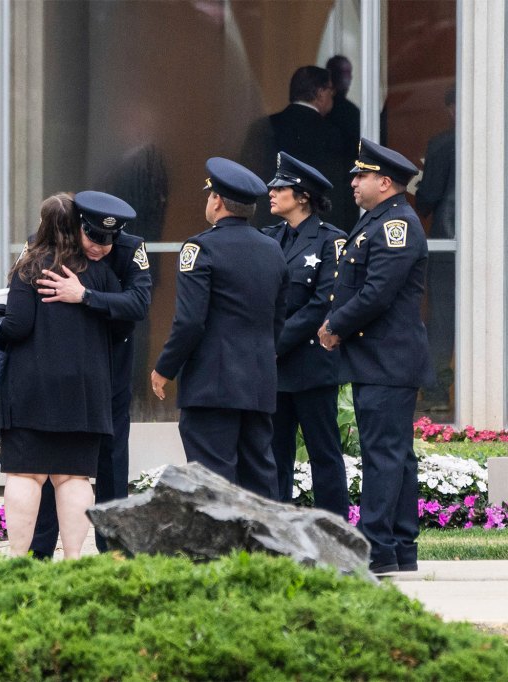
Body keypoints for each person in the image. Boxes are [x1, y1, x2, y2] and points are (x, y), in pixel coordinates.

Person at [318, 138, 434, 574]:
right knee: (395, 455)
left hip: (388, 360)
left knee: (383, 455)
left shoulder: (393, 225)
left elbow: (376, 293)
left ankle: (377, 549)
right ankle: (400, 548)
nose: (353, 182)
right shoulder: (378, 220)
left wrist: (334, 326)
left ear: (384, 182)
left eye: (361, 175)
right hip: (381, 359)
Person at [150, 158, 288, 499]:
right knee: (259, 474)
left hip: (213, 383)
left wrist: (164, 367)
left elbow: (190, 321)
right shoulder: (273, 249)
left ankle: (216, 552)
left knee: (212, 476)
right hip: (258, 381)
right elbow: (278, 318)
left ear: (217, 201)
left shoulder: (201, 248)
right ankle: (267, 550)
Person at [0, 193, 121, 559]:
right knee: (75, 478)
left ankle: (18, 560)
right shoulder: (99, 273)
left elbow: (18, 326)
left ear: (43, 225)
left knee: (25, 476)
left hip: (31, 390)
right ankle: (74, 560)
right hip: (84, 393)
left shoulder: (30, 267)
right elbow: (119, 321)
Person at [25, 190, 152, 557]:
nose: (100, 248)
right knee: (52, 459)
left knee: (111, 458)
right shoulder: (45, 245)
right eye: (93, 238)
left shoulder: (130, 248)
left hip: (110, 366)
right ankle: (41, 550)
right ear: (78, 225)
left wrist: (85, 296)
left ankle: (112, 549)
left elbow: (139, 303)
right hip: (58, 372)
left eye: (108, 240)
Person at [262, 152, 349, 516]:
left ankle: (336, 534)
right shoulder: (268, 239)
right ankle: (277, 538)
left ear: (302, 196)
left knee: (324, 455)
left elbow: (320, 304)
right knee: (274, 458)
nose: (271, 191)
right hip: (276, 372)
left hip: (311, 368)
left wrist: (272, 345)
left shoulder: (331, 241)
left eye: (280, 187)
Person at [241, 66, 348, 229]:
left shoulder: (263, 126)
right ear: (320, 92)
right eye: (330, 91)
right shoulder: (330, 133)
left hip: (265, 225)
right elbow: (335, 191)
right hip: (313, 231)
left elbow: (248, 178)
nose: (332, 97)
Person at [415, 85, 456, 409]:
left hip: (448, 243)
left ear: (454, 109)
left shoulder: (444, 144)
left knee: (441, 322)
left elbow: (427, 199)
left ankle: (436, 393)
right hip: (492, 247)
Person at [325, 55, 362, 232]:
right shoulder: (347, 113)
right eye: (343, 73)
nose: (348, 79)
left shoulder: (351, 113)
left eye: (349, 73)